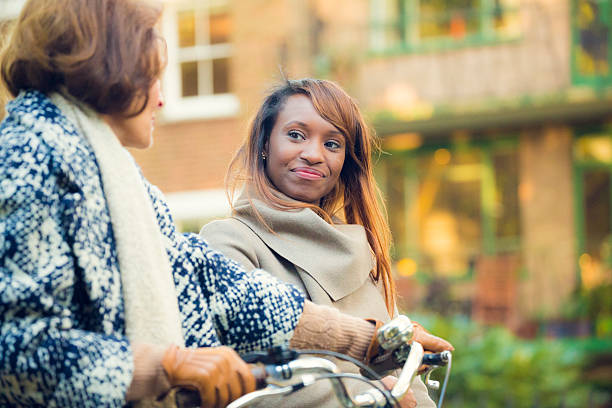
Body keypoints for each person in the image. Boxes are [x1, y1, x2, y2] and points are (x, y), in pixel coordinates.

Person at [0, 2, 434, 407]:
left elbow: (219, 287)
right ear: (111, 67)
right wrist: (166, 365)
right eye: (152, 76)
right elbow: (15, 350)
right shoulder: (30, 154)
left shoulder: (121, 181)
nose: (161, 99)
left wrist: (368, 340)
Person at [200, 78, 453, 407]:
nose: (313, 154)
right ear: (264, 143)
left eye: (333, 144)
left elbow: (409, 382)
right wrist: (377, 397)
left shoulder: (361, 251)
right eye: (295, 135)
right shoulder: (228, 241)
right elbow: (244, 380)